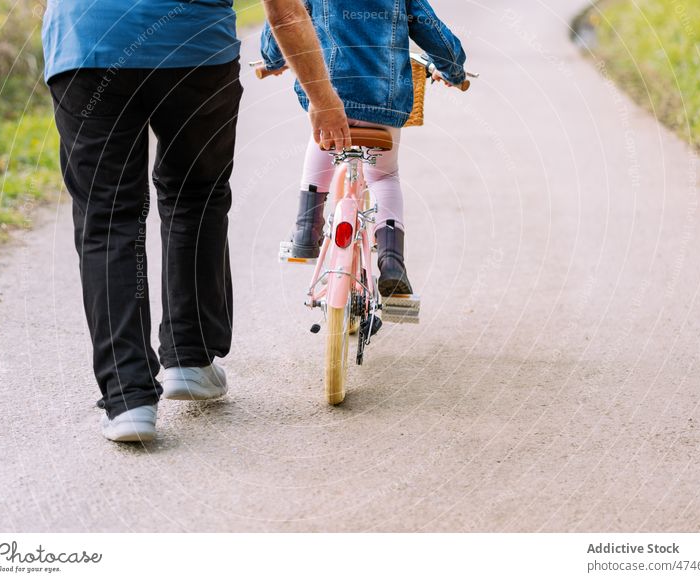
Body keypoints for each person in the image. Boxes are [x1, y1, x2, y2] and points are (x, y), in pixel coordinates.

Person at [43, 0, 351, 443]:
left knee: (108, 217)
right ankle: (191, 358)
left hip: (87, 43)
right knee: (196, 196)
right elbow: (285, 11)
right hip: (194, 50)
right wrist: (323, 100)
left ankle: (128, 399)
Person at [260, 0, 466, 297]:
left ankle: (306, 229)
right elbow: (432, 31)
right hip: (382, 101)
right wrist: (454, 71)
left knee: (321, 137)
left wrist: (273, 59)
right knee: (383, 177)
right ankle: (392, 263)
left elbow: (283, 17)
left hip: (330, 95)